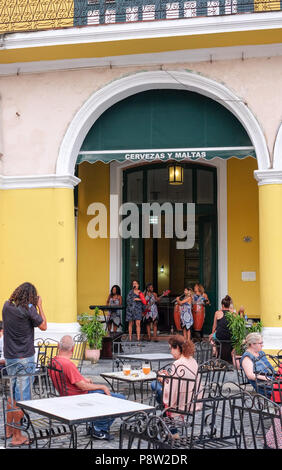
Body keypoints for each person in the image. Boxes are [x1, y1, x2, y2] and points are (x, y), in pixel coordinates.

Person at [49, 335, 125, 441]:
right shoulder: (68, 364)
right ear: (73, 348)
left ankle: (95, 425)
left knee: (113, 396)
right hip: (79, 397)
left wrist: (83, 379)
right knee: (121, 399)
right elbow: (82, 386)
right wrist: (102, 386)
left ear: (58, 346)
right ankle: (98, 428)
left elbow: (73, 380)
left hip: (68, 395)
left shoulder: (54, 361)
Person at [2, 282, 47, 446]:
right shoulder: (29, 308)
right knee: (21, 398)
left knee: (12, 395)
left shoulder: (6, 306)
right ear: (31, 296)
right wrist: (40, 306)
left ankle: (9, 430)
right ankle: (17, 436)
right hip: (24, 358)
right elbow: (43, 325)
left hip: (10, 357)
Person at [151, 335, 201, 435]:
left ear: (177, 348)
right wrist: (169, 377)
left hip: (180, 399)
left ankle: (172, 429)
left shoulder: (178, 363)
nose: (170, 352)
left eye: (171, 349)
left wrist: (163, 379)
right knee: (159, 391)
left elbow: (173, 389)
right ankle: (168, 424)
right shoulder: (192, 360)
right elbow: (181, 381)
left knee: (154, 385)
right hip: (192, 397)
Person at [240, 332, 275, 398]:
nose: (262, 345)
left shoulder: (261, 353)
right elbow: (250, 375)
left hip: (272, 380)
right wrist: (266, 378)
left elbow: (269, 368)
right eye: (260, 343)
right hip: (263, 385)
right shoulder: (247, 357)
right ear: (253, 344)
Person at [209, 295, 233, 362]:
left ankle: (215, 351)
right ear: (229, 305)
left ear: (222, 305)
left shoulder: (217, 313)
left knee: (211, 337)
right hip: (230, 337)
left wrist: (212, 334)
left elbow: (214, 327)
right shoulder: (233, 314)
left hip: (220, 336)